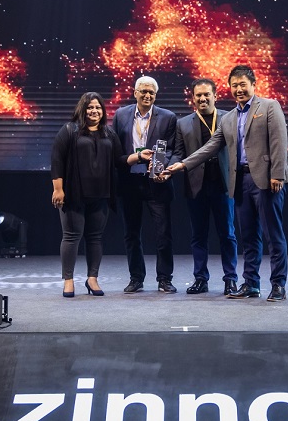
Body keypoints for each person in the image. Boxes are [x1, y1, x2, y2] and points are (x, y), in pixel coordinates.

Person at [165, 65, 288, 301]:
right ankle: (251, 283)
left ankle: (278, 285)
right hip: (240, 182)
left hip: (266, 180)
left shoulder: (269, 106)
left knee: (273, 236)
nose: (239, 89)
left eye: (243, 84)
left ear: (253, 85)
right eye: (234, 85)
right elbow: (211, 146)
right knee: (249, 237)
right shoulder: (230, 118)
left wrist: (277, 174)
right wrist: (182, 165)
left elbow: (279, 140)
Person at [51, 92, 150, 298]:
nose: (94, 111)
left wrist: (139, 156)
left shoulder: (109, 133)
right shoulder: (69, 130)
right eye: (90, 107)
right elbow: (57, 160)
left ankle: (92, 278)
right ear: (82, 109)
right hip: (74, 194)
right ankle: (68, 280)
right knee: (71, 237)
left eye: (98, 107)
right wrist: (58, 189)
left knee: (95, 238)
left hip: (102, 194)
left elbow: (119, 160)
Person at [170, 78, 238, 295]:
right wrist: (169, 167)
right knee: (198, 235)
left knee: (227, 234)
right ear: (193, 98)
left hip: (224, 184)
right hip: (195, 185)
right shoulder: (182, 124)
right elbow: (178, 153)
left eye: (206, 94)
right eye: (198, 95)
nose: (202, 98)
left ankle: (231, 279)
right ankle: (200, 279)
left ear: (215, 96)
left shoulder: (230, 118)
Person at [111, 75, 178, 293]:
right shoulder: (121, 115)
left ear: (155, 95)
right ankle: (136, 278)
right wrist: (134, 158)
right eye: (144, 91)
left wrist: (162, 167)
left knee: (163, 233)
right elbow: (116, 150)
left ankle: (165, 279)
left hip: (156, 182)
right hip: (129, 181)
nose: (147, 95)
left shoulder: (168, 117)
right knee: (131, 234)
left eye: (151, 92)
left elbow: (171, 149)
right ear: (135, 93)